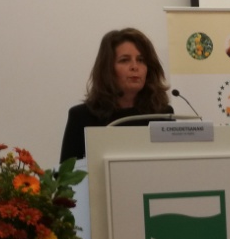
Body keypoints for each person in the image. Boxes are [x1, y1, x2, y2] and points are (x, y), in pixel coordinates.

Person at [59, 27, 173, 162]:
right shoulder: (82, 117)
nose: (134, 66)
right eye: (124, 60)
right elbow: (66, 173)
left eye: (141, 60)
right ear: (107, 69)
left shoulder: (162, 115)